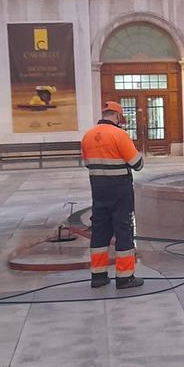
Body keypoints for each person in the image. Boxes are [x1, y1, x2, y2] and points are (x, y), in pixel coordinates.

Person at [81, 101, 145, 289]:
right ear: (117, 116)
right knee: (123, 229)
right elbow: (137, 164)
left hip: (98, 189)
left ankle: (98, 276)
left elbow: (87, 162)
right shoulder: (120, 135)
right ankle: (125, 277)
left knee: (100, 230)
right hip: (119, 189)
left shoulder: (87, 135)